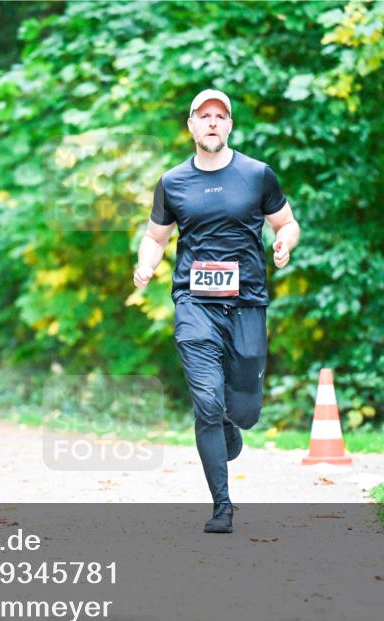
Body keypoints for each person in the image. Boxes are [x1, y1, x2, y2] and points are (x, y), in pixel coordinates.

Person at [133, 89, 301, 534]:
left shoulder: (256, 174)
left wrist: (283, 242)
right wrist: (146, 263)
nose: (211, 122)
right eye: (202, 116)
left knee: (242, 407)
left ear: (229, 125)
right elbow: (156, 236)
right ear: (190, 125)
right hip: (194, 304)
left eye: (219, 116)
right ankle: (222, 507)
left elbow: (285, 222)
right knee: (206, 402)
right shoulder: (173, 182)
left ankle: (232, 421)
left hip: (247, 302)